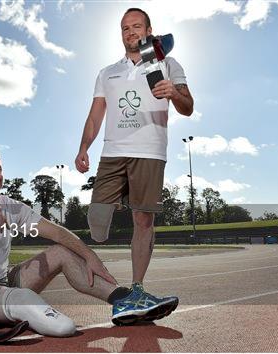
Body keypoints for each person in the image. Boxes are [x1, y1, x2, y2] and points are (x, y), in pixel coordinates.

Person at [0, 147, 169, 339]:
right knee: (61, 326)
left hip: (5, 280)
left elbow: (57, 232)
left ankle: (124, 300)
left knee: (62, 252)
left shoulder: (11, 206)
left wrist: (90, 256)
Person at [75, 8, 194, 319]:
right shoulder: (107, 72)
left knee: (143, 221)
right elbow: (94, 115)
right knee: (98, 224)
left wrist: (174, 94)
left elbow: (188, 107)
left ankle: (138, 288)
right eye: (125, 28)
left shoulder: (167, 63)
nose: (130, 32)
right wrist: (83, 148)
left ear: (148, 29)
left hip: (150, 150)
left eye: (136, 26)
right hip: (113, 152)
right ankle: (107, 217)